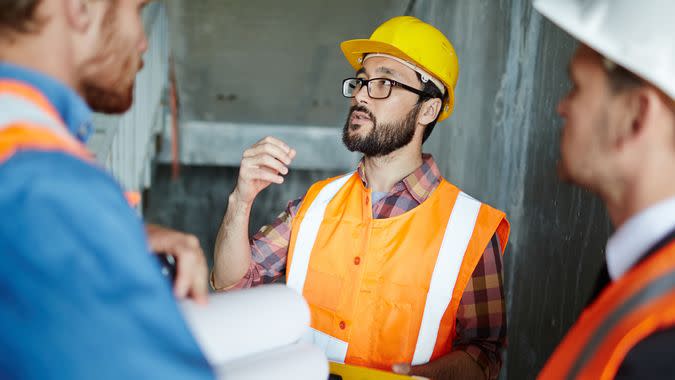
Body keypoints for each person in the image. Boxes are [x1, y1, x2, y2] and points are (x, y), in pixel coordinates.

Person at [212, 16, 510, 380]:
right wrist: (240, 200)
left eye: (384, 82)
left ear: (428, 109)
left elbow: (485, 353)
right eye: (363, 81)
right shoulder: (317, 203)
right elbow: (231, 284)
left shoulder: (471, 228)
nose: (361, 94)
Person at [0, 0, 213, 377]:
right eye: (137, 10)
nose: (144, 42)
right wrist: (91, 231)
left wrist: (119, 237)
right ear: (80, 8)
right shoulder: (48, 187)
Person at [533, 0, 675, 378]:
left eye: (576, 87)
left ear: (635, 117)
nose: (562, 107)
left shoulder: (661, 345)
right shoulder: (635, 277)